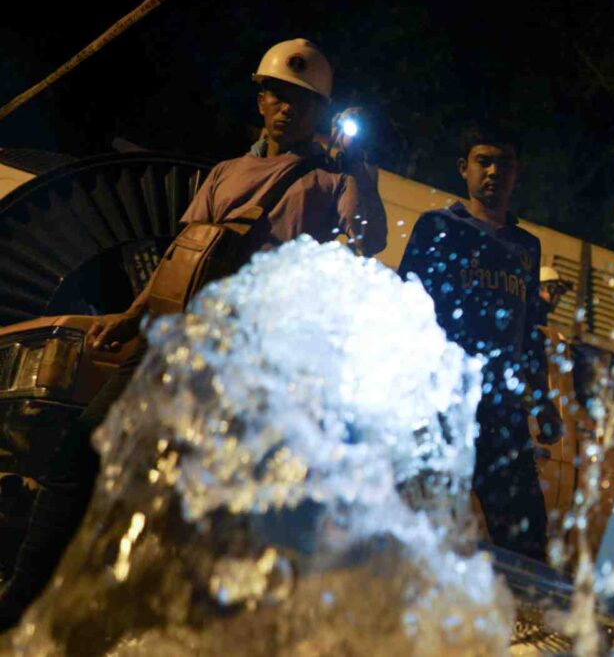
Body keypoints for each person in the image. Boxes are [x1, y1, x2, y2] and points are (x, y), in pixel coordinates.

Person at [0, 38, 386, 625]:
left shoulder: (331, 183)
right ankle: (26, 598)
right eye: (278, 95)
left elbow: (367, 240)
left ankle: (155, 618)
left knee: (201, 495)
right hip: (172, 339)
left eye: (303, 101)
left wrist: (358, 171)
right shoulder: (227, 172)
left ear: (320, 113)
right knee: (84, 451)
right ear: (261, 99)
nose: (288, 109)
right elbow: (182, 254)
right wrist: (131, 317)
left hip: (248, 360)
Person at [397, 126, 561, 561]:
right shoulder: (438, 227)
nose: (493, 172)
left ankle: (520, 623)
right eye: (483, 160)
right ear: (463, 168)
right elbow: (402, 306)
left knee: (526, 537)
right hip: (443, 401)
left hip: (502, 411)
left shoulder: (526, 246)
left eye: (504, 163)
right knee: (421, 525)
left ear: (516, 172)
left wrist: (542, 401)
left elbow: (528, 331)